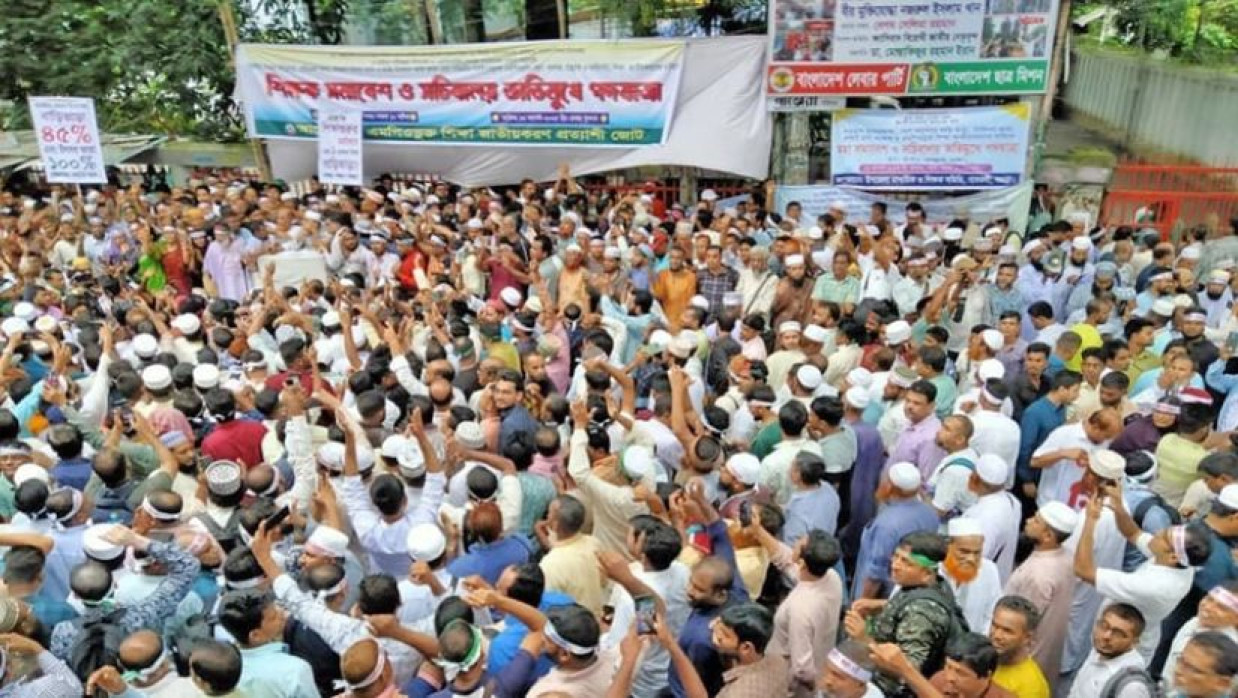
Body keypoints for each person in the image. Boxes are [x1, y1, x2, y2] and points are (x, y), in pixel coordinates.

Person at [845, 531, 964, 697]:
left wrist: (864, 639)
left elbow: (908, 672)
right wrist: (881, 605)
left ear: (927, 573)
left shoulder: (922, 613)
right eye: (896, 557)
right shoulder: (932, 585)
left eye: (906, 562)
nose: (895, 565)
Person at [1002, 502, 1079, 682]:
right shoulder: (1066, 556)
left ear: (1048, 536)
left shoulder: (1038, 575)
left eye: (1036, 521)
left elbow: (1020, 624)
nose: (1028, 521)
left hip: (1026, 660)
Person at [1066, 604, 1150, 698]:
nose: (1106, 636)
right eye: (1104, 626)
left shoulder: (1132, 687)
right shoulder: (1098, 651)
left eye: (1118, 633)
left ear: (1134, 642)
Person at [988, 596, 1051, 698]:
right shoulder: (983, 659)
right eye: (994, 626)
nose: (997, 635)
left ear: (1027, 637)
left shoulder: (1031, 687)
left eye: (1007, 631)